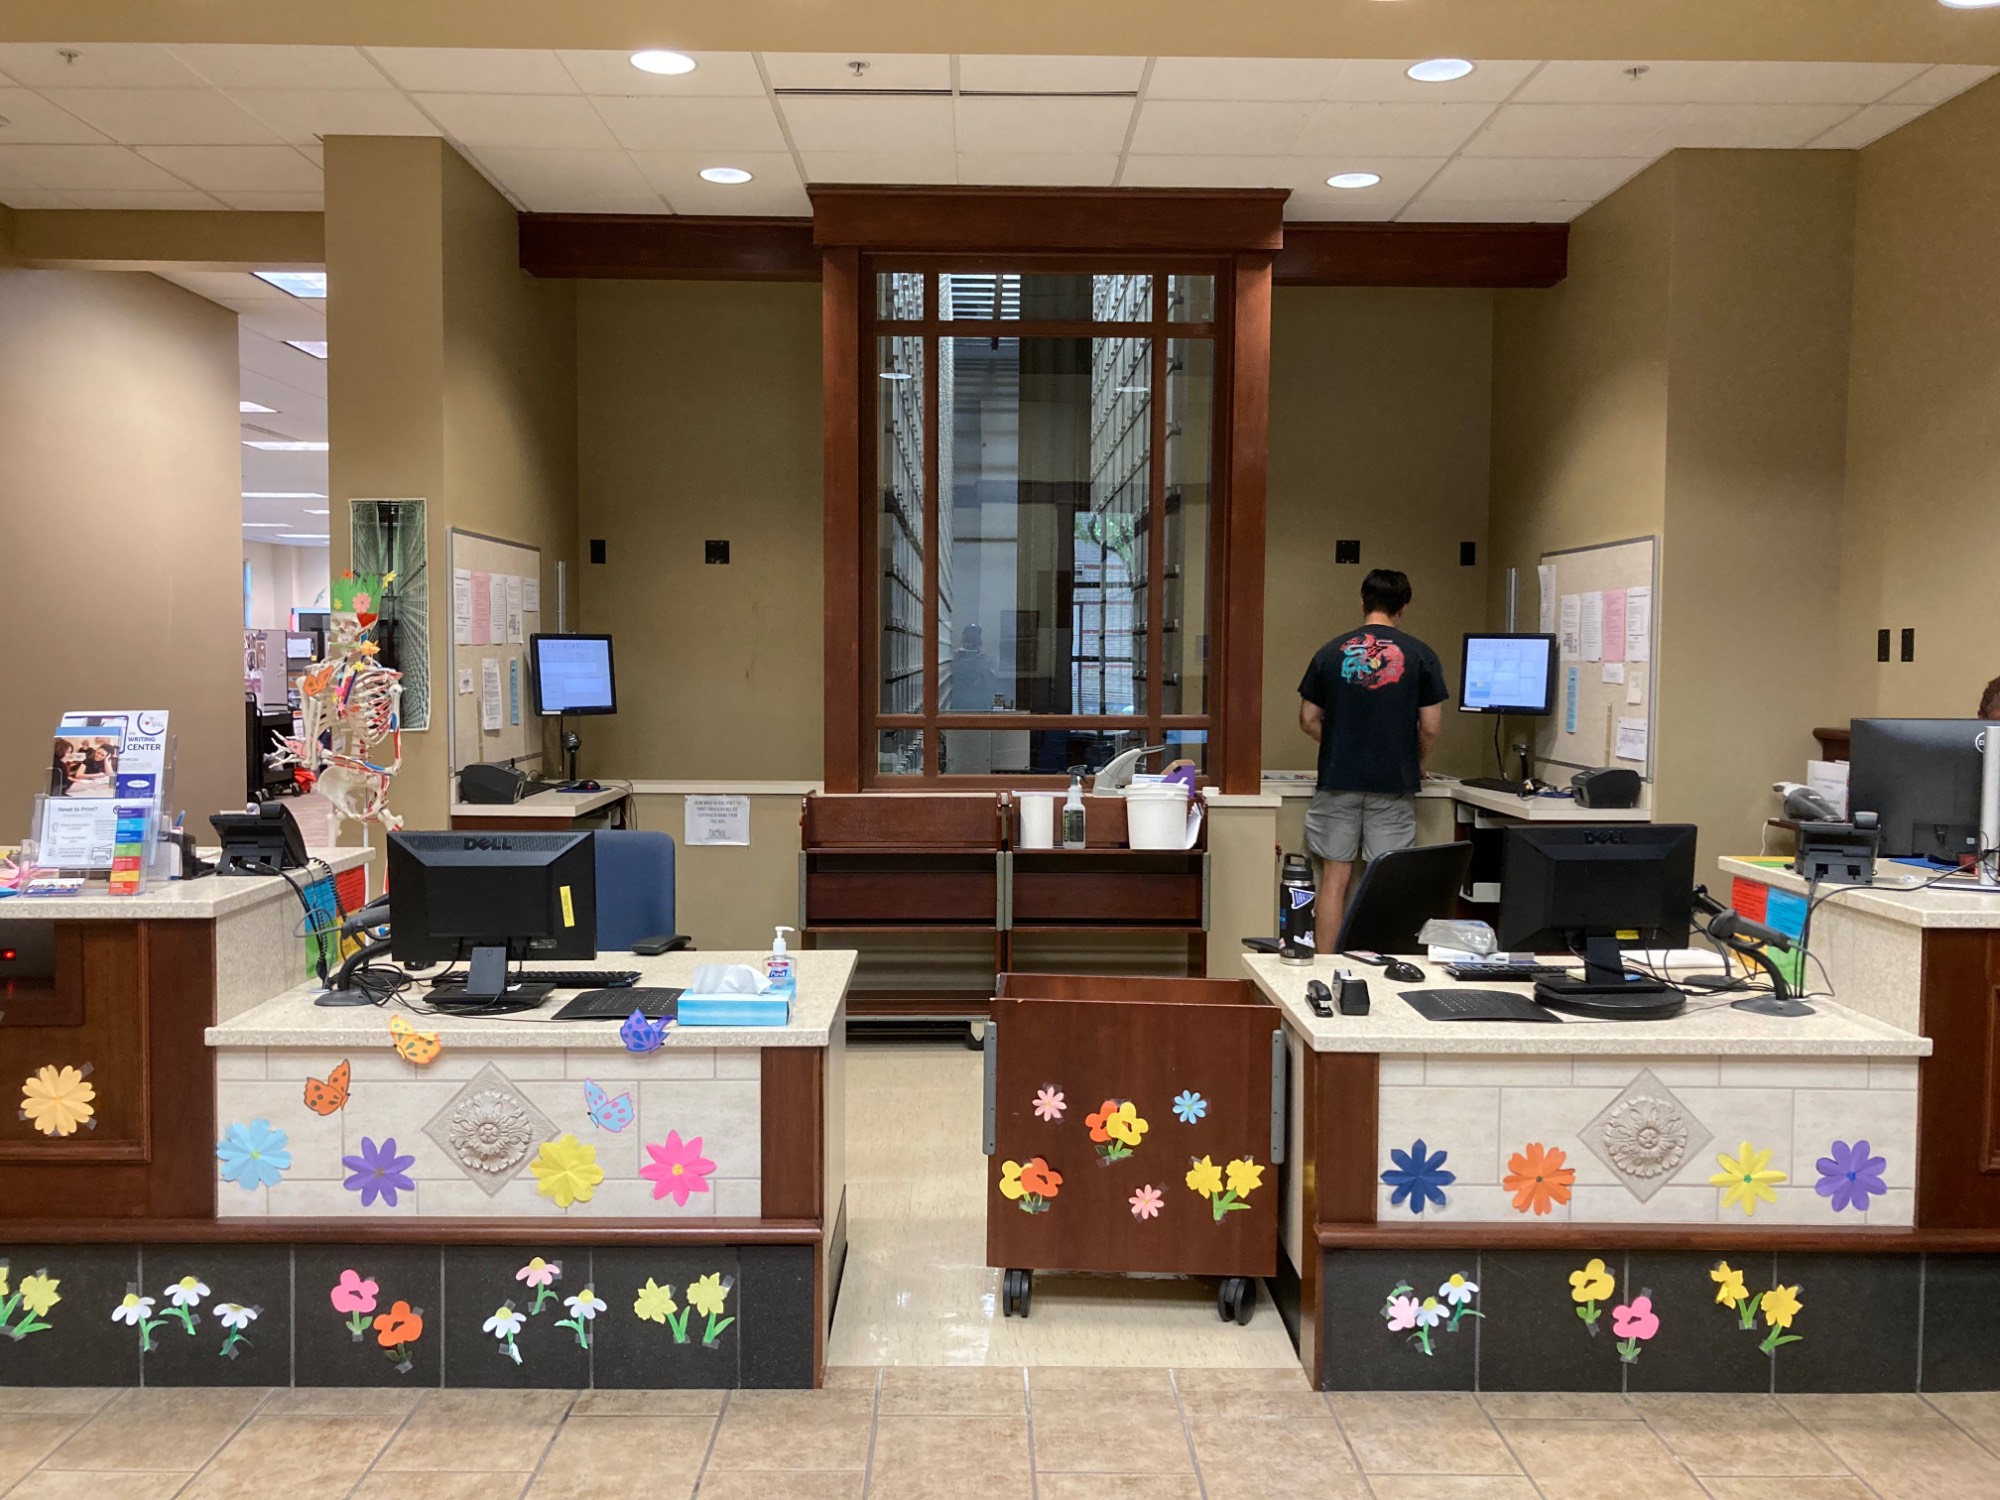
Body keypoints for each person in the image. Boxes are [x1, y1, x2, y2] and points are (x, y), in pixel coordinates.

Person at [1297, 568, 1450, 951]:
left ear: (1362, 601)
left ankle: (1328, 966)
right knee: (1382, 880)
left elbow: (1308, 718)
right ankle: (1376, 967)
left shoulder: (1331, 651)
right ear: (1403, 606)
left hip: (1338, 779)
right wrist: (1416, 759)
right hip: (1393, 782)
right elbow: (1431, 726)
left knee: (1334, 878)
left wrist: (1338, 742)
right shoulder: (1420, 655)